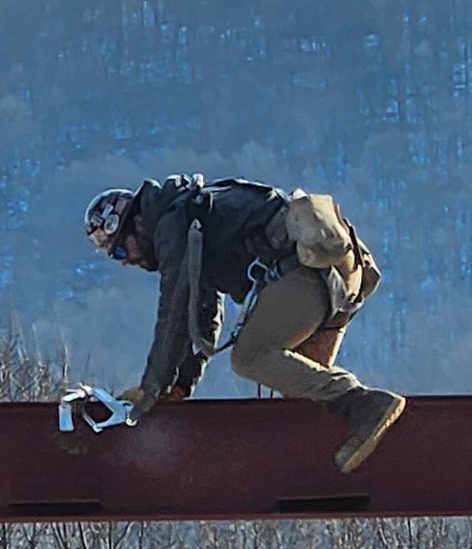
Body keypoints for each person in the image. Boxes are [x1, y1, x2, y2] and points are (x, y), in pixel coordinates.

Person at [83, 175, 406, 475]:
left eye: (121, 249)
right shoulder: (191, 214)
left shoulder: (170, 223)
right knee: (302, 392)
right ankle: (335, 466)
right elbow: (201, 316)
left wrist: (151, 389)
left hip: (306, 273)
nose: (125, 261)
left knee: (250, 357)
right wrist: (180, 385)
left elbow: (175, 309)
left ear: (138, 223)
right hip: (341, 274)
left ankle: (364, 402)